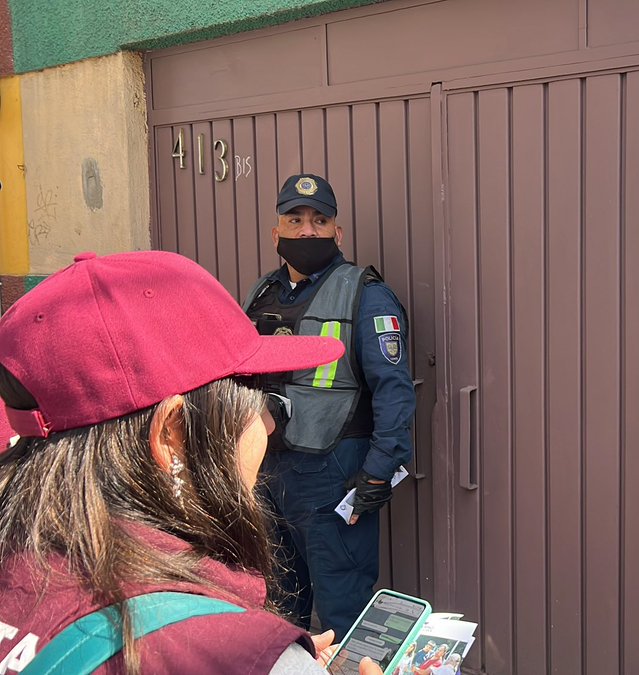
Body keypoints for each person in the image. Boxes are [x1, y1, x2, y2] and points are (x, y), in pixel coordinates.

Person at [0, 250, 383, 674]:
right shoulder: (237, 655)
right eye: (254, 396)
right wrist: (269, 657)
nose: (269, 426)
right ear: (173, 433)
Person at [242, 173, 417, 638]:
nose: (306, 231)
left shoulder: (365, 293)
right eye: (294, 219)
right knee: (278, 617)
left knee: (345, 618)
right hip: (266, 480)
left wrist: (379, 472)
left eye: (319, 220)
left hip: (334, 481)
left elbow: (394, 391)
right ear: (275, 232)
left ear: (337, 233)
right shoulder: (262, 295)